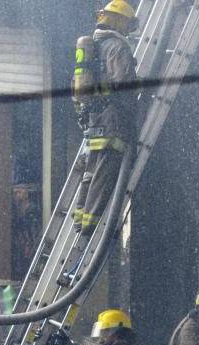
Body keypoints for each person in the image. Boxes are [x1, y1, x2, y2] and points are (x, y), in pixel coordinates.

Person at [72, 0, 139, 236]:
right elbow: (123, 82)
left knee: (90, 172)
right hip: (113, 120)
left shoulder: (95, 47)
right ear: (121, 22)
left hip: (94, 119)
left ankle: (79, 219)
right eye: (128, 24)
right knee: (104, 174)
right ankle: (90, 224)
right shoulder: (117, 47)